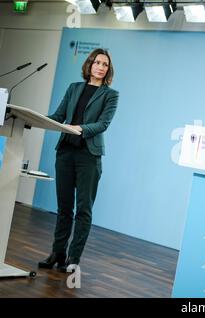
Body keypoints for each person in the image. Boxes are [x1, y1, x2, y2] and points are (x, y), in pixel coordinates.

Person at [38, 48, 119, 272]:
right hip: (65, 152)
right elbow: (58, 116)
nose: (101, 67)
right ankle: (58, 253)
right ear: (89, 65)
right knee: (64, 208)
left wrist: (79, 128)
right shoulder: (74, 88)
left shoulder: (111, 95)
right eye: (97, 63)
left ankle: (73, 259)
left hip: (88, 156)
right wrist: (34, 119)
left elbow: (103, 124)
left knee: (83, 209)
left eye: (105, 64)